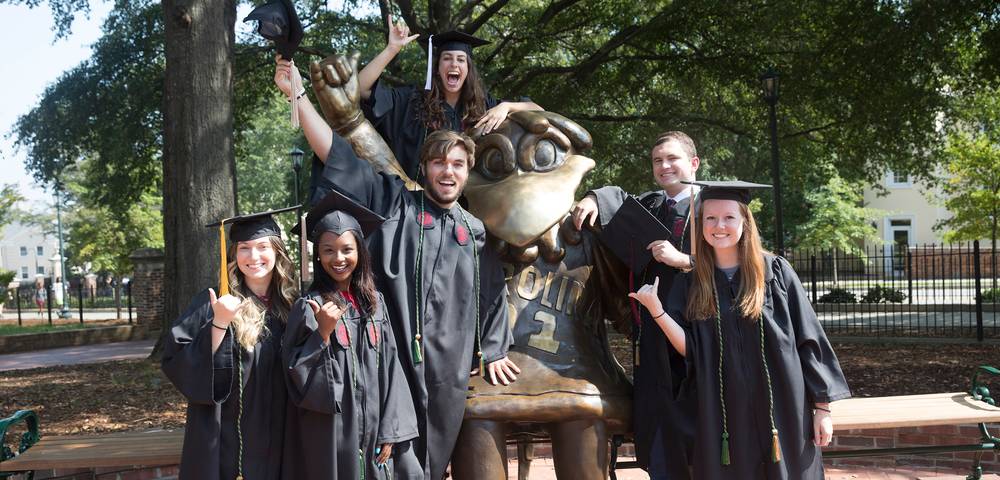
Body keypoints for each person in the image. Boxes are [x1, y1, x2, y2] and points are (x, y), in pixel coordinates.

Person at [309, 126, 518, 479]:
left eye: (457, 164)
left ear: (468, 171)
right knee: (388, 462)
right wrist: (298, 98)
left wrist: (494, 349)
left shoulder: (474, 232)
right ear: (424, 168)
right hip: (392, 363)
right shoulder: (395, 205)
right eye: (439, 162)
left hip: (447, 376)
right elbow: (341, 160)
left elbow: (493, 293)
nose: (447, 171)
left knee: (432, 464)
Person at [629, 180, 851, 479]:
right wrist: (656, 309)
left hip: (783, 410)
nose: (719, 225)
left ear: (745, 222)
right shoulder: (691, 283)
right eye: (710, 218)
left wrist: (822, 409)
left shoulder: (775, 273)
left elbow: (808, 340)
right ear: (701, 224)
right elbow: (689, 349)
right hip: (723, 415)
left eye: (729, 217)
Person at [571, 131, 700, 479]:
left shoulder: (717, 210)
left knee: (702, 445)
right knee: (661, 446)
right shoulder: (652, 205)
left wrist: (685, 259)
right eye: (657, 160)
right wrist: (594, 198)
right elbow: (618, 198)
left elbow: (742, 267)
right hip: (655, 343)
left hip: (702, 340)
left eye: (672, 158)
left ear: (694, 163)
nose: (664, 166)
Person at [282, 189, 419, 479]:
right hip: (334, 439)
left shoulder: (376, 303)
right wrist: (322, 333)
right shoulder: (309, 307)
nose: (338, 258)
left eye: (347, 249)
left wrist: (391, 429)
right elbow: (295, 377)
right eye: (328, 250)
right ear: (318, 256)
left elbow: (393, 368)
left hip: (378, 433)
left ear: (360, 251)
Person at [161, 207, 298, 480]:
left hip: (282, 433)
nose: (254, 256)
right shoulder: (212, 301)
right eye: (244, 248)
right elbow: (176, 360)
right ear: (233, 254)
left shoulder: (293, 305)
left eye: (262, 246)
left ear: (277, 252)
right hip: (228, 438)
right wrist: (219, 323)